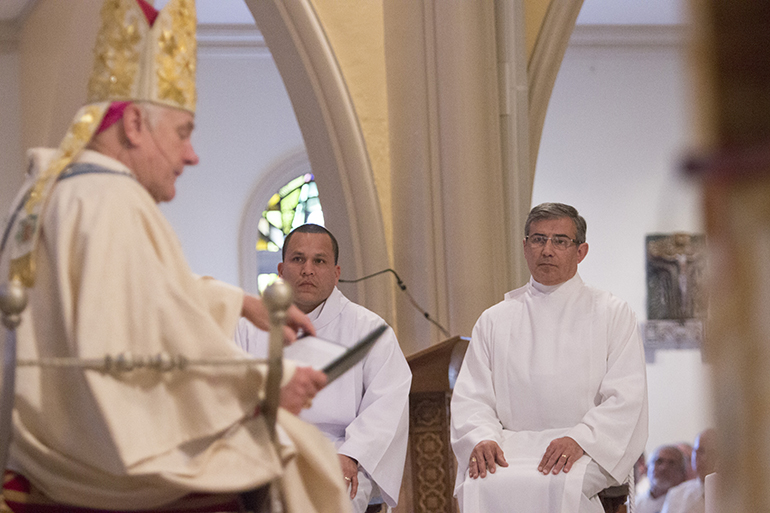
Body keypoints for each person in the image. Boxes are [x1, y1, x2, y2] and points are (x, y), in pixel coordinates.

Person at [0, 1, 349, 512]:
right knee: (297, 454)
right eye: (183, 133)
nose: (192, 155)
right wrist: (262, 389)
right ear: (135, 123)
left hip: (42, 448)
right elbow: (131, 348)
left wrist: (237, 303)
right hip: (94, 466)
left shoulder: (48, 192)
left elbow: (125, 302)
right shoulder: (111, 202)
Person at [450, 202, 648, 513]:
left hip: (586, 447)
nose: (547, 250)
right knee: (482, 483)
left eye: (560, 241)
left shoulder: (612, 313)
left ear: (580, 252)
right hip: (507, 447)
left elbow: (626, 396)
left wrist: (580, 439)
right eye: (538, 239)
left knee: (558, 485)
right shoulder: (494, 319)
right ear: (525, 247)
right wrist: (482, 438)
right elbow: (472, 398)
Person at [235, 224, 412, 513]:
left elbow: (387, 402)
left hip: (339, 452)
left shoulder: (368, 329)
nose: (308, 269)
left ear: (336, 272)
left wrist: (353, 455)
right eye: (298, 259)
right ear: (281, 268)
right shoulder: (249, 326)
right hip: (266, 450)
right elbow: (233, 394)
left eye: (319, 261)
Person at [661, 429, 718, 513]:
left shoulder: (737, 493)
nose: (702, 458)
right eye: (698, 451)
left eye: (712, 452)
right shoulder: (677, 495)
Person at [635, 445, 687, 513]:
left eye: (671, 463)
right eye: (659, 461)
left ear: (682, 472)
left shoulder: (688, 504)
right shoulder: (633, 504)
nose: (664, 468)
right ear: (647, 469)